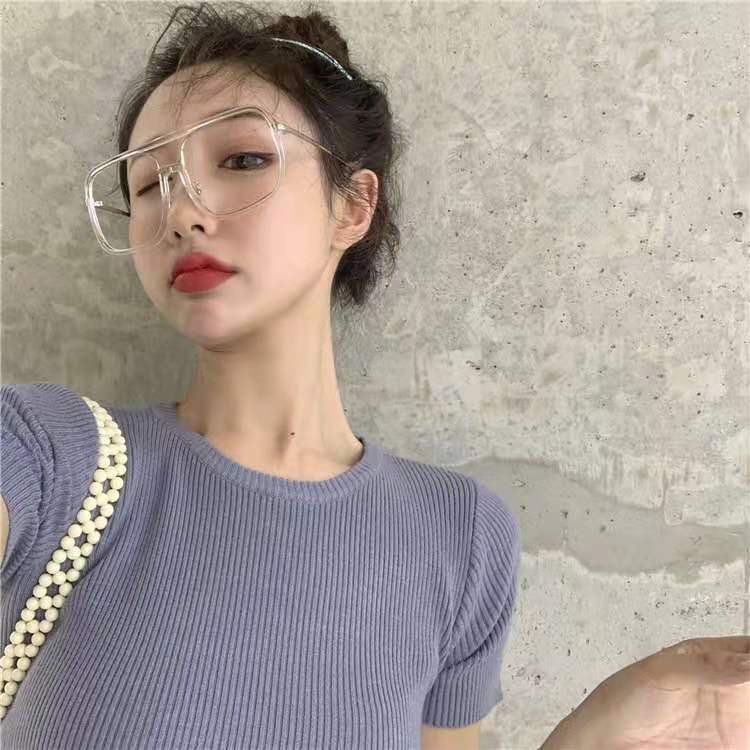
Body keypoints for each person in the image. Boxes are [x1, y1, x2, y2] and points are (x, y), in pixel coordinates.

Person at [1, 4, 747, 749]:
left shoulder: (460, 535)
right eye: (148, 185)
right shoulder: (51, 458)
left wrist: (599, 731)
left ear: (353, 205)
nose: (180, 214)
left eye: (242, 159)